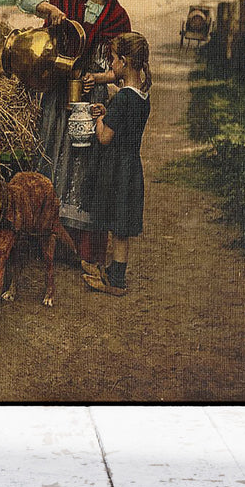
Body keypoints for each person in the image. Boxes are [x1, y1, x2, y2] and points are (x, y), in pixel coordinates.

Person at [15, 0, 133, 270]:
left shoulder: (119, 18)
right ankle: (39, 235)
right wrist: (47, 10)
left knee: (82, 164)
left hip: (90, 98)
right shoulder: (68, 2)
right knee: (49, 154)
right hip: (56, 95)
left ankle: (77, 244)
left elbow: (124, 65)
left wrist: (102, 78)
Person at [80, 32, 151, 295]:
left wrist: (99, 119)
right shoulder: (142, 97)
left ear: (123, 61)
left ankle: (116, 282)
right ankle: (116, 273)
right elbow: (126, 125)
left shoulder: (122, 98)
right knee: (122, 227)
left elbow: (105, 137)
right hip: (132, 167)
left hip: (116, 169)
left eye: (112, 60)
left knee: (115, 224)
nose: (110, 66)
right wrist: (108, 113)